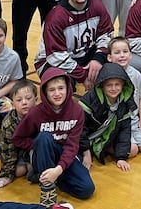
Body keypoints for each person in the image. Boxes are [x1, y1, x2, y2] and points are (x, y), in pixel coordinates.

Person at [12, 68, 95, 206]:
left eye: (61, 88)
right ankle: (47, 187)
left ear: (68, 88)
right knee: (44, 137)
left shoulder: (77, 111)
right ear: (44, 92)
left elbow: (72, 146)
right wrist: (37, 145)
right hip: (43, 152)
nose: (57, 93)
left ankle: (47, 177)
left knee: (87, 189)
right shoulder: (36, 113)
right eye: (52, 90)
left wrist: (58, 170)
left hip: (65, 154)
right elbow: (17, 138)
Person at [39, 0, 113, 90]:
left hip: (86, 56)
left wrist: (98, 59)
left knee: (113, 72)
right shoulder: (56, 17)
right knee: (61, 86)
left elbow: (106, 35)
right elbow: (56, 56)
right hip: (52, 61)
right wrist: (84, 76)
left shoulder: (97, 6)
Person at [78, 63, 137, 171]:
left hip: (106, 136)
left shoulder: (124, 101)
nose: (114, 88)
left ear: (123, 85)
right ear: (101, 85)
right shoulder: (89, 101)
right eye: (109, 85)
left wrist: (121, 158)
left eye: (117, 84)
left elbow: (124, 130)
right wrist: (85, 152)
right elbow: (80, 130)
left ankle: (103, 149)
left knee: (133, 150)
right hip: (84, 139)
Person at [107, 37, 141, 155]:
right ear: (109, 57)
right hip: (116, 121)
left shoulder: (136, 75)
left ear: (131, 55)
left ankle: (130, 139)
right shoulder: (107, 76)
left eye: (125, 51)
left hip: (133, 119)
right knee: (132, 150)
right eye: (117, 53)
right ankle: (109, 147)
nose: (122, 55)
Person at [0, 80, 38, 188]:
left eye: (28, 98)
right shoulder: (8, 124)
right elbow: (8, 150)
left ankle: (33, 165)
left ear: (36, 100)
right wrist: (7, 175)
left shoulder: (41, 116)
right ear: (13, 104)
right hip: (19, 152)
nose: (24, 102)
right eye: (19, 100)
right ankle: (28, 166)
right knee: (16, 172)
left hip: (36, 150)